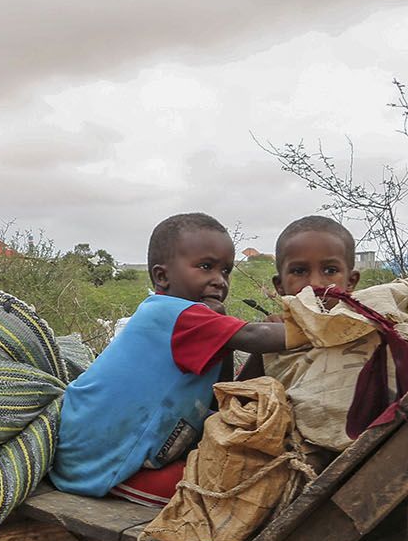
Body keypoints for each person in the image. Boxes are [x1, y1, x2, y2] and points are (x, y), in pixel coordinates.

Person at [51, 213, 306, 501]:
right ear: (162, 277)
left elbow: (221, 401)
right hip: (103, 464)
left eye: (225, 271)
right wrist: (320, 325)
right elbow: (254, 336)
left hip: (97, 453)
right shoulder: (172, 314)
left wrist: (235, 345)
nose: (219, 281)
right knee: (229, 489)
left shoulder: (188, 323)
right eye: (206, 267)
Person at [237, 215, 408, 454]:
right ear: (280, 285)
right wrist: (270, 343)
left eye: (330, 270)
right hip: (311, 455)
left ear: (351, 281)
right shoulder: (278, 332)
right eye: (299, 271)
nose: (314, 283)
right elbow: (242, 395)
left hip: (399, 440)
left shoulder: (377, 320)